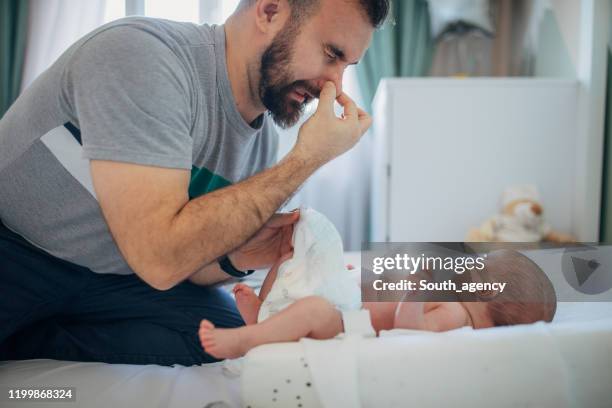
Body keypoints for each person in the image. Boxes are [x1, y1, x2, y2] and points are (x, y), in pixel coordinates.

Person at [0, 0, 389, 365]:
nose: (335, 87)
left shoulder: (261, 140)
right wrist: (307, 159)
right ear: (269, 12)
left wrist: (238, 257)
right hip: (18, 250)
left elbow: (186, 265)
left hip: (114, 277)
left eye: (346, 67)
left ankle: (27, 338)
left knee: (225, 336)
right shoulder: (142, 56)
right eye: (331, 54)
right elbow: (160, 258)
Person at [199, 249, 557, 359]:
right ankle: (263, 310)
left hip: (347, 322)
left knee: (310, 312)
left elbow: (409, 325)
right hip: (349, 298)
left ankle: (249, 338)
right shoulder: (453, 303)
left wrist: (418, 288)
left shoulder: (456, 314)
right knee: (296, 258)